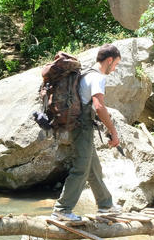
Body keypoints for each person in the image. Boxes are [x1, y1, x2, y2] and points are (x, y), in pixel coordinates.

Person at [51, 44, 123, 221]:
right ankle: (62, 210)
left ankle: (105, 205)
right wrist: (112, 131)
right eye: (116, 64)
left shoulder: (86, 73)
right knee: (81, 168)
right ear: (109, 60)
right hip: (82, 126)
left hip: (80, 125)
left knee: (93, 167)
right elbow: (99, 106)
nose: (115, 69)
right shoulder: (97, 78)